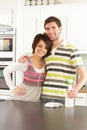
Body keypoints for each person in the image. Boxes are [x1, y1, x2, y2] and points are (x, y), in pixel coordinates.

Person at [18, 16, 87, 104]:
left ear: (60, 28)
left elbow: (83, 75)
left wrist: (75, 90)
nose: (50, 31)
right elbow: (34, 59)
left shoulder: (71, 49)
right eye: (47, 28)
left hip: (64, 97)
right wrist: (23, 57)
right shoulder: (45, 50)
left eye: (53, 27)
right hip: (45, 97)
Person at [3, 33, 52, 102]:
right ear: (35, 45)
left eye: (45, 48)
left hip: (33, 104)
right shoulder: (25, 61)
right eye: (40, 46)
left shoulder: (45, 62)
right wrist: (12, 88)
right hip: (19, 101)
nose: (42, 49)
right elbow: (6, 71)